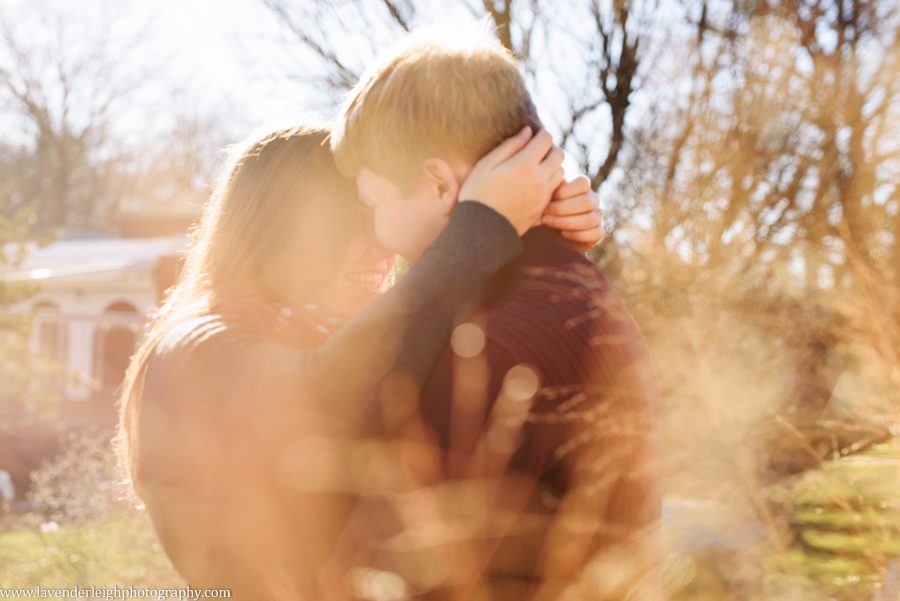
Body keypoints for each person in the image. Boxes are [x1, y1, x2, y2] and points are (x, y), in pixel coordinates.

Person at [115, 123, 604, 600]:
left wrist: (536, 241)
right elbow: (326, 401)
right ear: (280, 228)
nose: (383, 249)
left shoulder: (349, 340)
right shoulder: (197, 346)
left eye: (378, 217)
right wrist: (484, 225)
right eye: (352, 225)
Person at [330, 28, 663, 600]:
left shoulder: (483, 353)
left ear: (438, 184)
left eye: (374, 202)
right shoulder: (571, 289)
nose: (373, 232)